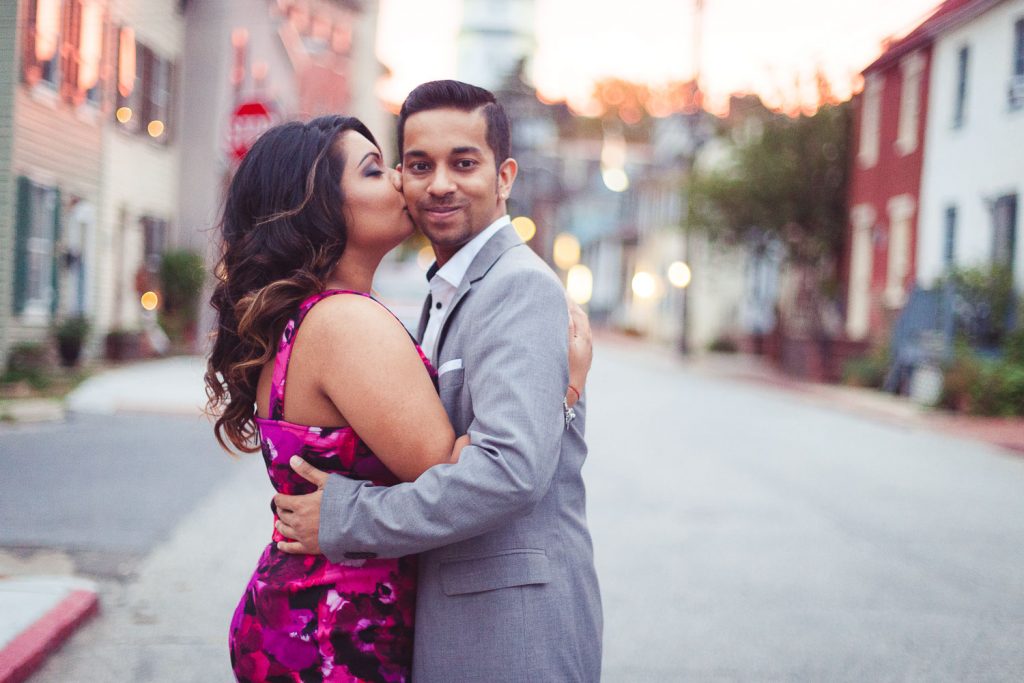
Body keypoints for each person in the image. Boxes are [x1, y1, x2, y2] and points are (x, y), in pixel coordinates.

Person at [205, 114, 590, 681]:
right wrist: (565, 384)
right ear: (319, 205)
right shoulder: (346, 323)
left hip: (312, 617)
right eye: (373, 170)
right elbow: (466, 473)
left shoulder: (314, 317)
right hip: (338, 632)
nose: (399, 182)